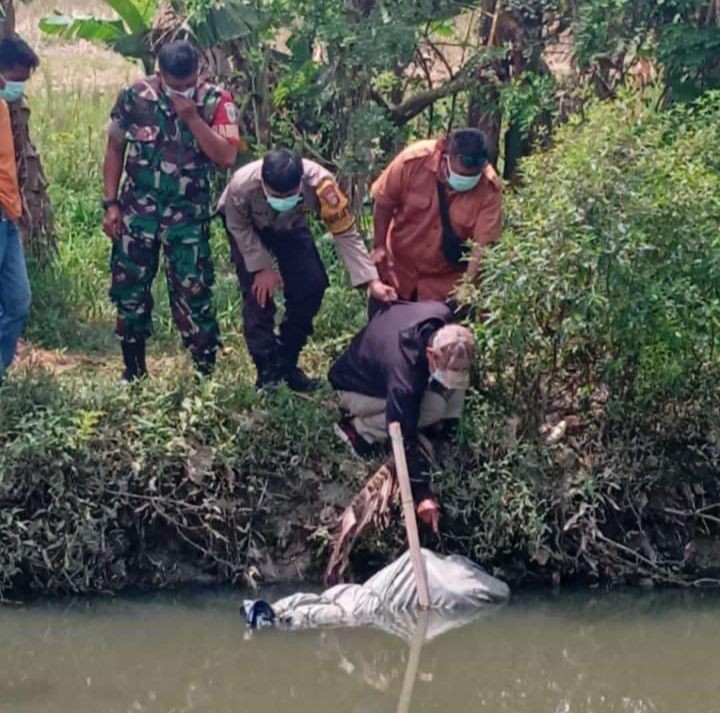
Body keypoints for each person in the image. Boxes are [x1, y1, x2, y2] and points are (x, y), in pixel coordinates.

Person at [102, 40, 240, 381]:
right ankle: (133, 371)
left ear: (199, 70)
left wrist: (191, 117)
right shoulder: (134, 96)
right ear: (159, 73)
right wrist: (110, 204)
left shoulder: (216, 101)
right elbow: (115, 146)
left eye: (188, 82)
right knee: (129, 290)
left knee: (194, 293)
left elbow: (226, 156)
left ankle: (203, 376)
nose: (181, 90)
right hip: (137, 215)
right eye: (173, 85)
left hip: (188, 220)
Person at [219, 148, 397, 391]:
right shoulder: (241, 185)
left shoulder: (322, 185)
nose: (283, 198)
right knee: (259, 295)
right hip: (250, 230)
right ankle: (267, 370)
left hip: (291, 225)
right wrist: (261, 267)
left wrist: (371, 280)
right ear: (263, 182)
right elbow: (237, 226)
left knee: (312, 284)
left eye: (290, 194)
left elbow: (345, 232)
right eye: (276, 194)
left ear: (301, 181)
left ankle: (287, 359)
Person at [328, 301, 476, 532]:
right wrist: (422, 494)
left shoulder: (443, 318)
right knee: (433, 407)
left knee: (443, 396)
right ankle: (359, 430)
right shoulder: (404, 376)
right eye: (444, 371)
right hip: (353, 388)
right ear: (430, 355)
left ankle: (448, 428)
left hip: (379, 363)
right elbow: (401, 434)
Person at [370, 128, 502, 306]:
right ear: (447, 154)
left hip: (442, 290)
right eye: (463, 169)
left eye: (475, 172)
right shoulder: (413, 161)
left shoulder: (489, 189)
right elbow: (384, 201)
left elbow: (482, 247)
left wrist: (467, 288)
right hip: (396, 277)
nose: (468, 176)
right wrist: (379, 247)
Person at [0, 36, 39, 385]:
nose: (17, 88)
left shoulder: (1, 106)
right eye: (16, 78)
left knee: (18, 303)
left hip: (6, 214)